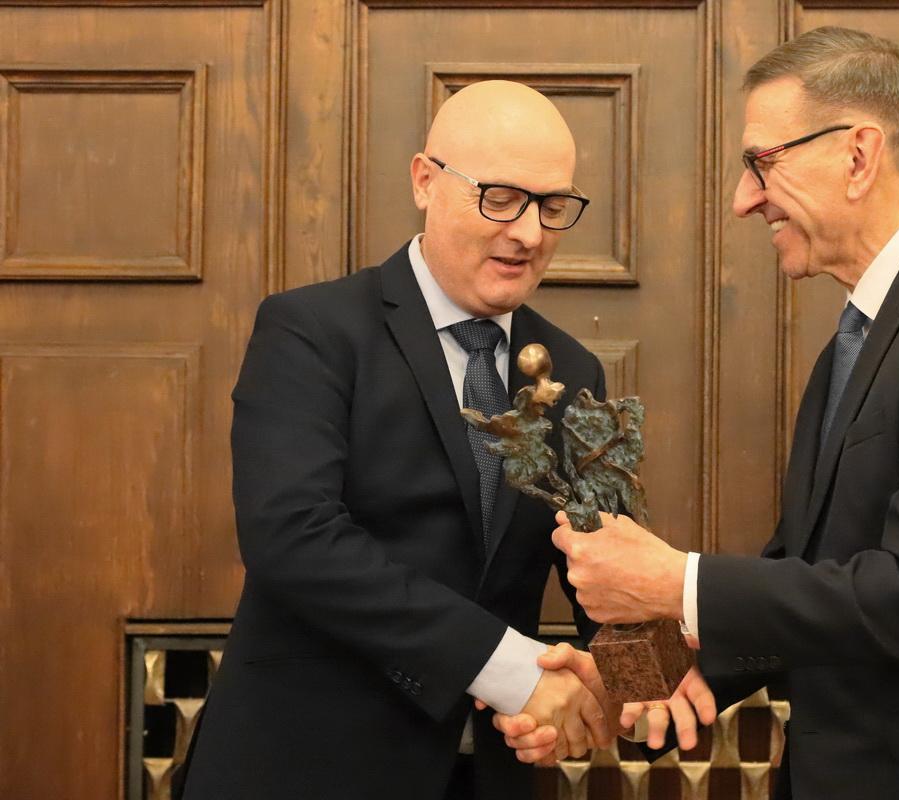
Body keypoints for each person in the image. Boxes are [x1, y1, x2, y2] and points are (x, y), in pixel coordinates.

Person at [536, 27, 899, 799]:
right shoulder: (864, 333)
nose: (744, 199)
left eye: (761, 163)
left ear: (858, 156)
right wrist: (672, 675)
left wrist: (677, 582)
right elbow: (817, 575)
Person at [178, 80, 619, 800]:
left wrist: (638, 686)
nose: (530, 234)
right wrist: (511, 671)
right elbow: (293, 536)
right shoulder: (311, 331)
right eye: (501, 198)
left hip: (490, 774)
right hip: (304, 770)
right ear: (424, 180)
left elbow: (603, 564)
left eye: (552, 206)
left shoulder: (572, 369)